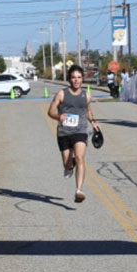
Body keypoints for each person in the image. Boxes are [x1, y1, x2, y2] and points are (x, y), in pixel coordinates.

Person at [48, 64, 100, 204]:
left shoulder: (86, 96)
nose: (76, 80)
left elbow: (88, 111)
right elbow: (51, 112)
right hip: (64, 132)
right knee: (67, 163)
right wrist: (59, 117)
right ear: (69, 79)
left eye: (79, 77)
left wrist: (93, 122)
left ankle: (79, 191)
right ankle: (69, 167)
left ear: (82, 79)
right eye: (73, 77)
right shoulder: (62, 94)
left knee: (79, 157)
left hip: (80, 130)